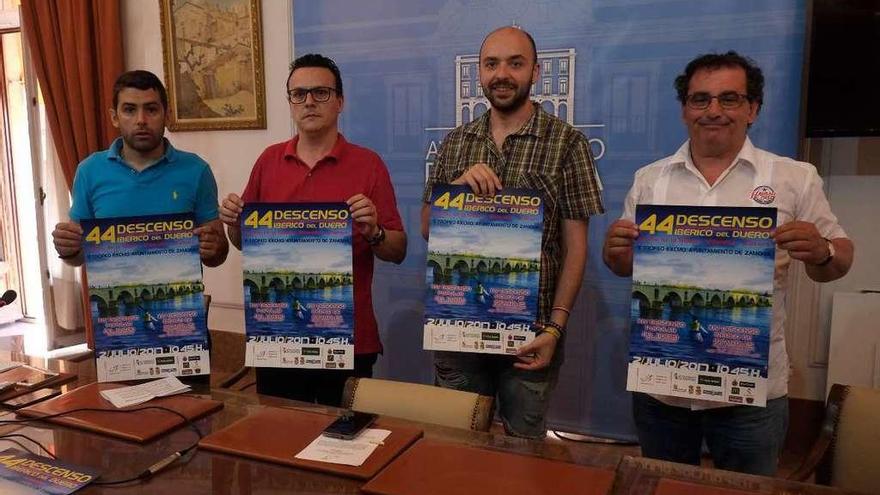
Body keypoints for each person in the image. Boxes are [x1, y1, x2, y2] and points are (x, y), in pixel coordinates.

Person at [602, 51, 854, 475]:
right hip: (663, 389)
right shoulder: (651, 178)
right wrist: (616, 253)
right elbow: (623, 267)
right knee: (664, 486)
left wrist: (823, 251)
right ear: (685, 110)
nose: (713, 111)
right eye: (700, 100)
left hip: (750, 393)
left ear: (752, 108)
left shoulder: (794, 177)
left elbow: (839, 258)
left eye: (729, 99)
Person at [420, 26, 604, 438]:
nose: (502, 73)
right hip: (459, 331)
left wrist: (555, 329)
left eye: (515, 63)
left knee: (524, 454)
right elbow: (428, 228)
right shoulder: (455, 144)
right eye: (491, 64)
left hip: (532, 334)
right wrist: (456, 194)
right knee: (455, 448)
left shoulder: (567, 143)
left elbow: (576, 250)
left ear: (535, 71)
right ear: (479, 74)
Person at [220, 53, 407, 406]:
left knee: (346, 448)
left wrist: (375, 232)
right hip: (278, 336)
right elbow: (244, 242)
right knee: (280, 442)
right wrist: (233, 221)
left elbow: (398, 250)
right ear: (289, 103)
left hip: (349, 341)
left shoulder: (369, 164)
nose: (308, 101)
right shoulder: (268, 161)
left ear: (340, 101)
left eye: (321, 93)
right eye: (299, 93)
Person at [51, 70, 228, 268]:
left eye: (151, 109)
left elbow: (218, 255)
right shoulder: (89, 171)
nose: (141, 120)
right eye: (129, 110)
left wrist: (215, 247)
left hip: (181, 297)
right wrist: (68, 249)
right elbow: (78, 256)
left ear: (167, 115)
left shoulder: (196, 170)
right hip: (112, 298)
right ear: (114, 117)